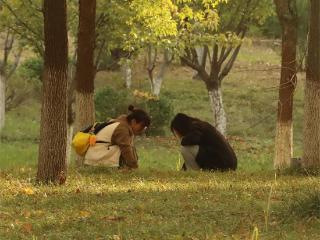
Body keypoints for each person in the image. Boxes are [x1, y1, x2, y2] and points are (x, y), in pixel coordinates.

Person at [84, 105, 151, 169]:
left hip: (95, 159)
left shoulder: (122, 124)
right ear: (133, 121)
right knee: (125, 148)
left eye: (144, 128)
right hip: (96, 162)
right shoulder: (122, 129)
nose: (142, 130)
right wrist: (134, 167)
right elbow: (126, 150)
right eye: (142, 126)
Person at [170, 113, 237, 171]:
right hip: (227, 163)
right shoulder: (198, 125)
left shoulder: (195, 127)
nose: (177, 136)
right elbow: (192, 157)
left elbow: (194, 140)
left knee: (185, 148)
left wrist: (182, 141)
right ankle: (191, 171)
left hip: (223, 164)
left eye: (176, 133)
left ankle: (193, 172)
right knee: (187, 147)